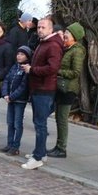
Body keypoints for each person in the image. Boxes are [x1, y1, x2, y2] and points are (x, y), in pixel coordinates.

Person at [21, 18, 63, 170]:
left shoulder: (53, 45)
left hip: (44, 89)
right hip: (38, 88)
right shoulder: (44, 43)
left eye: (43, 27)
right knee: (39, 122)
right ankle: (40, 152)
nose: (39, 30)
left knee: (40, 124)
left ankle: (38, 157)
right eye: (38, 27)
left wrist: (32, 70)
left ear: (50, 29)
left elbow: (52, 68)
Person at [48, 22, 86, 158]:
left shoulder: (77, 51)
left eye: (68, 33)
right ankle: (58, 146)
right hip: (61, 88)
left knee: (62, 119)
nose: (65, 34)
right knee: (58, 118)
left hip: (68, 90)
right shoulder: (68, 49)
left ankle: (62, 148)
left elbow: (76, 72)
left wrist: (59, 71)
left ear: (74, 36)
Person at [1, 46, 32, 156]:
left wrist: (12, 96)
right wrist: (5, 94)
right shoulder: (14, 67)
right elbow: (6, 80)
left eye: (22, 54)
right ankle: (9, 144)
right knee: (10, 122)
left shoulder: (25, 70)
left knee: (17, 124)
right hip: (10, 99)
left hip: (19, 100)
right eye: (18, 54)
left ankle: (15, 146)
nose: (19, 56)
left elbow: (23, 86)